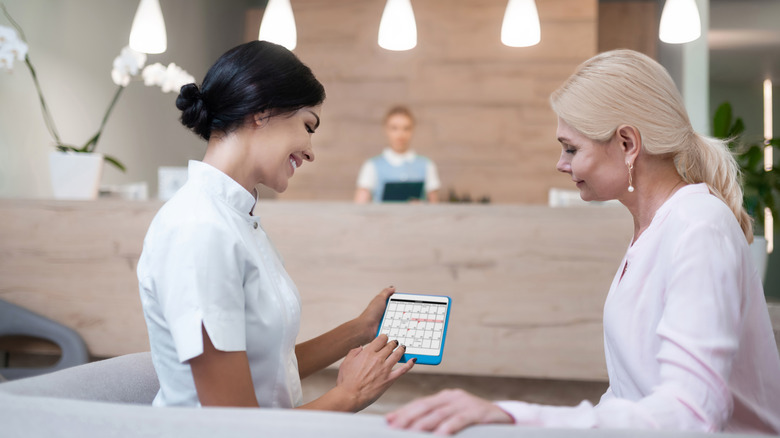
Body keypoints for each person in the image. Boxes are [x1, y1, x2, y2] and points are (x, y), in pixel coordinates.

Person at [386, 49, 780, 434]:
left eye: (571, 148)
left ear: (627, 144)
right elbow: (630, 397)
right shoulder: (654, 229)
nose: (561, 164)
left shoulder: (698, 226)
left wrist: (516, 415)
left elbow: (690, 416)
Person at [137, 41, 414, 411]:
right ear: (262, 111)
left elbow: (268, 367)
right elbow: (237, 427)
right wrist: (351, 394)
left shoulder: (234, 218)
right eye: (308, 126)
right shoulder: (199, 229)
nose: (311, 150)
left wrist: (359, 330)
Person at [354, 106, 441, 203]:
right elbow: (359, 206)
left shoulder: (427, 165)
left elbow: (434, 206)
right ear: (386, 130)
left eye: (406, 128)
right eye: (394, 128)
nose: (400, 134)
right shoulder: (371, 165)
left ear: (412, 130)